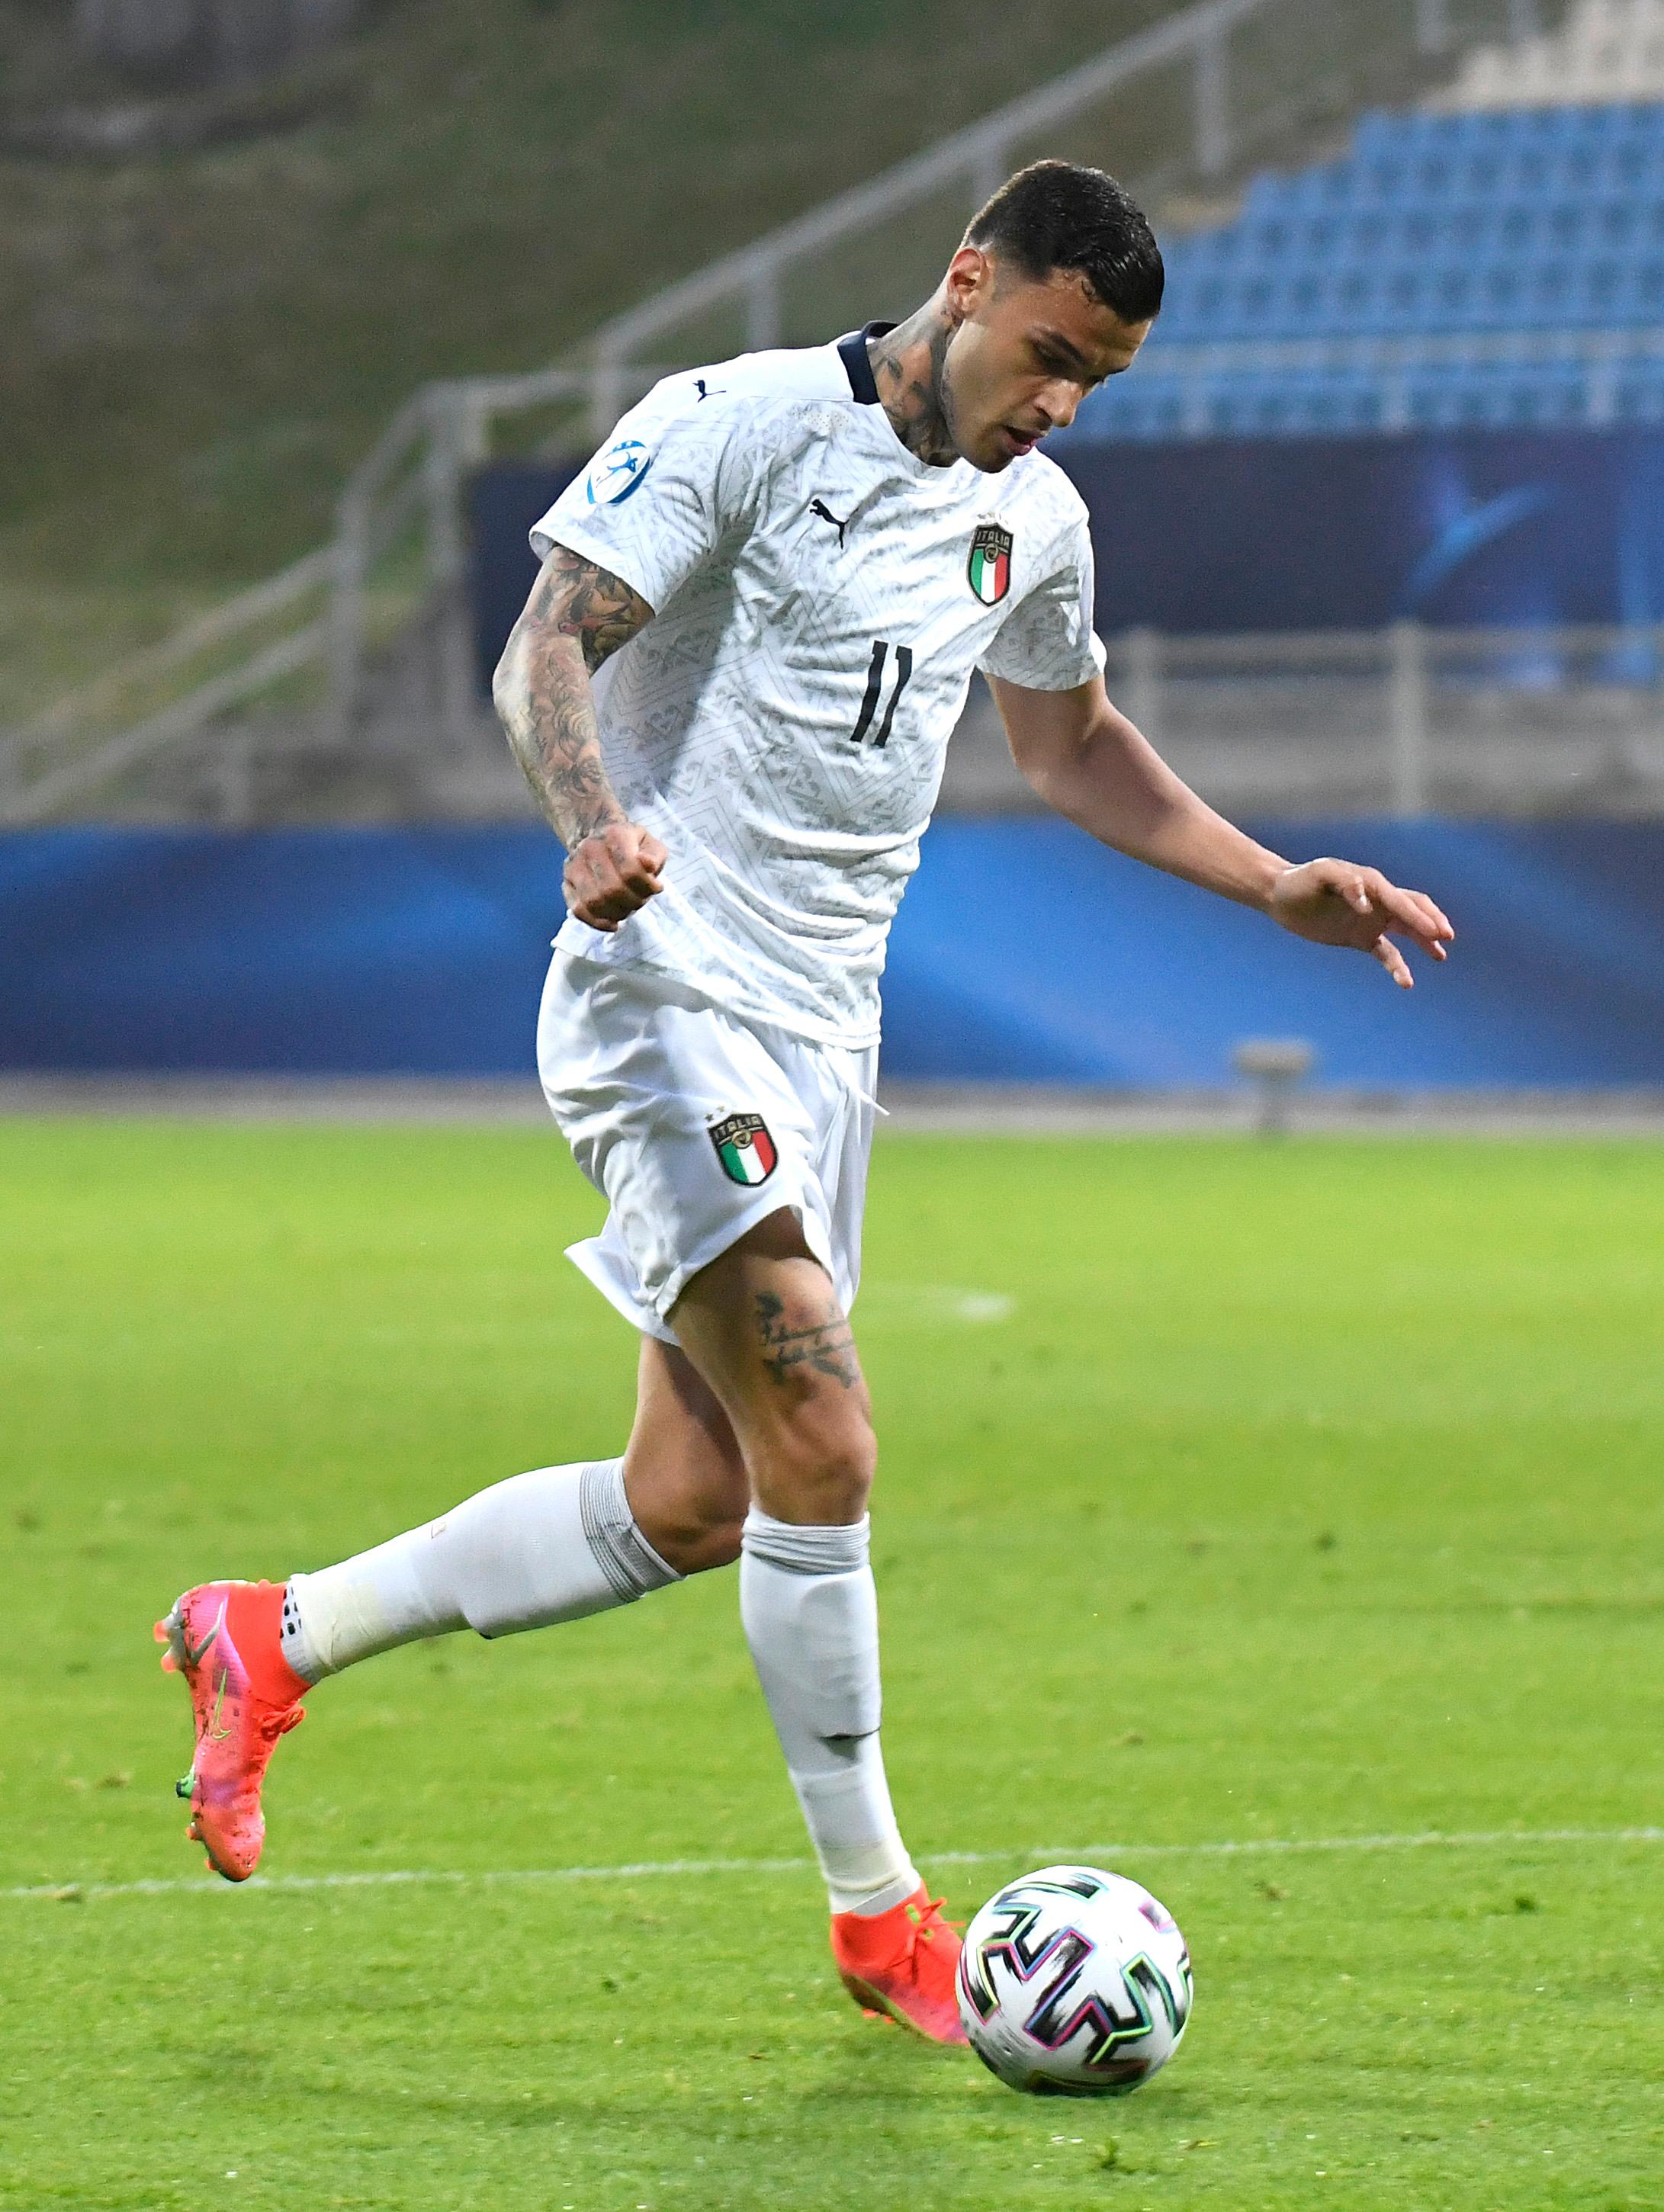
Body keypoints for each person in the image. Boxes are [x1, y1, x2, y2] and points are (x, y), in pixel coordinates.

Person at [156, 160, 1453, 2044]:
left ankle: (270, 1632)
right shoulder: (740, 423)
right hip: (662, 988)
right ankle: (880, 1915)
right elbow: (541, 645)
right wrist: (597, 831)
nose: (1060, 398)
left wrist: (1269, 882)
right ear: (964, 280)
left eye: (1096, 377)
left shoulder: (1033, 519)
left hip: (824, 1040)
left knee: (693, 1498)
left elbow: (1067, 740)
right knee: (825, 1436)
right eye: (1047, 351)